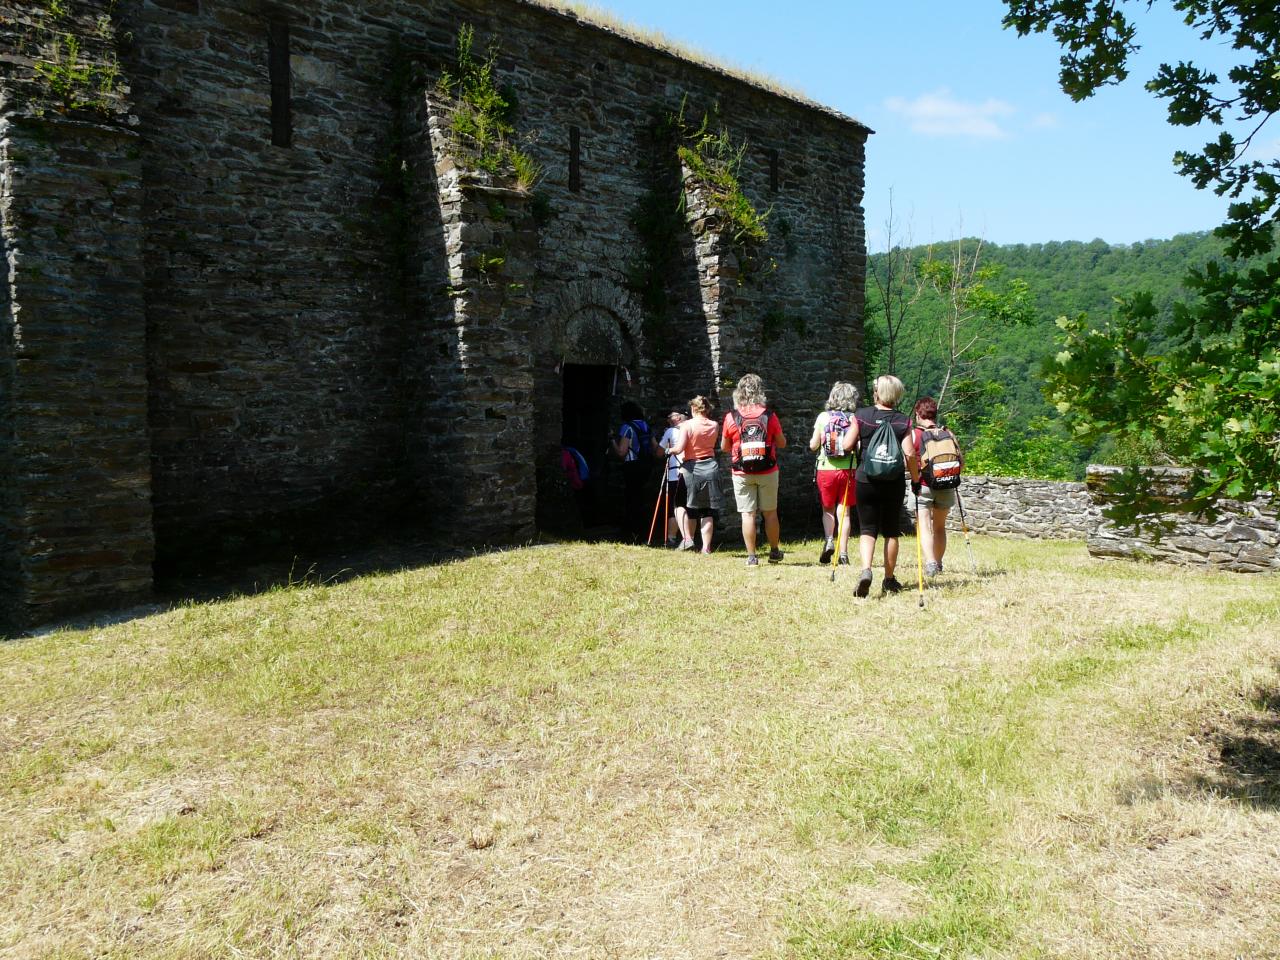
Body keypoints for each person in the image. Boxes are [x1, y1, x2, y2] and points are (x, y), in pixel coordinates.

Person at [844, 374, 916, 596]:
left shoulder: (862, 416)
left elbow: (847, 445)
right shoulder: (903, 421)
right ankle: (889, 578)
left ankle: (866, 570)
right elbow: (910, 453)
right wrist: (915, 479)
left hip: (866, 479)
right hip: (892, 482)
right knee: (892, 530)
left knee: (867, 529)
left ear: (877, 392)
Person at [721, 373, 787, 567]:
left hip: (741, 472)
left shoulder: (731, 417)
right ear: (761, 392)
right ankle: (774, 551)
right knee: (770, 513)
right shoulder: (769, 416)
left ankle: (751, 556)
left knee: (747, 514)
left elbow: (724, 447)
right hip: (768, 470)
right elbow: (782, 443)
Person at [909, 396, 961, 577]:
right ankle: (939, 564)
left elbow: (907, 460)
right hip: (946, 484)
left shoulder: (915, 435)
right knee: (940, 526)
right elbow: (961, 461)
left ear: (918, 414)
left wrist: (915, 479)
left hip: (923, 485)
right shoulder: (948, 433)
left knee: (924, 525)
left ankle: (930, 563)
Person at [808, 381, 859, 566]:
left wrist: (821, 439)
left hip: (825, 469)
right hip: (848, 469)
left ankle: (829, 539)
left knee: (827, 509)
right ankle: (843, 553)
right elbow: (858, 448)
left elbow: (813, 445)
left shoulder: (823, 417)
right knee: (844, 513)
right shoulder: (854, 419)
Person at [669, 396, 721, 553]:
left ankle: (687, 539)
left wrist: (669, 450)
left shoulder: (687, 425)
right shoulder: (714, 425)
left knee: (680, 504)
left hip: (691, 468)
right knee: (706, 509)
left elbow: (678, 449)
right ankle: (706, 547)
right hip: (710, 466)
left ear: (693, 408)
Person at [612, 401, 655, 543]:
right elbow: (654, 447)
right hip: (646, 465)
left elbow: (621, 452)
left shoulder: (627, 427)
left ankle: (631, 531)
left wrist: (612, 440)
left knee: (631, 498)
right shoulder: (646, 426)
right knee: (641, 497)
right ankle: (643, 530)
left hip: (632, 466)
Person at [659, 410, 691, 548]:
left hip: (675, 474)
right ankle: (691, 537)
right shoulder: (692, 428)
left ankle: (672, 538)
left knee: (676, 506)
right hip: (692, 471)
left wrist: (654, 441)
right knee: (690, 506)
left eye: (669, 417)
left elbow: (659, 452)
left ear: (678, 418)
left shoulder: (670, 432)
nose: (667, 419)